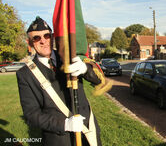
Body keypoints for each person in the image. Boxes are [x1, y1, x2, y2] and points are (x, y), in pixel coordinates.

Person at [17, 17, 102, 146]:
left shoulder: (70, 57)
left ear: (52, 37)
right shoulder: (25, 74)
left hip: (88, 132)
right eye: (36, 38)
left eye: (47, 35)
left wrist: (85, 69)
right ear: (29, 43)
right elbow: (31, 115)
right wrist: (65, 124)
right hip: (59, 139)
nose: (43, 41)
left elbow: (99, 80)